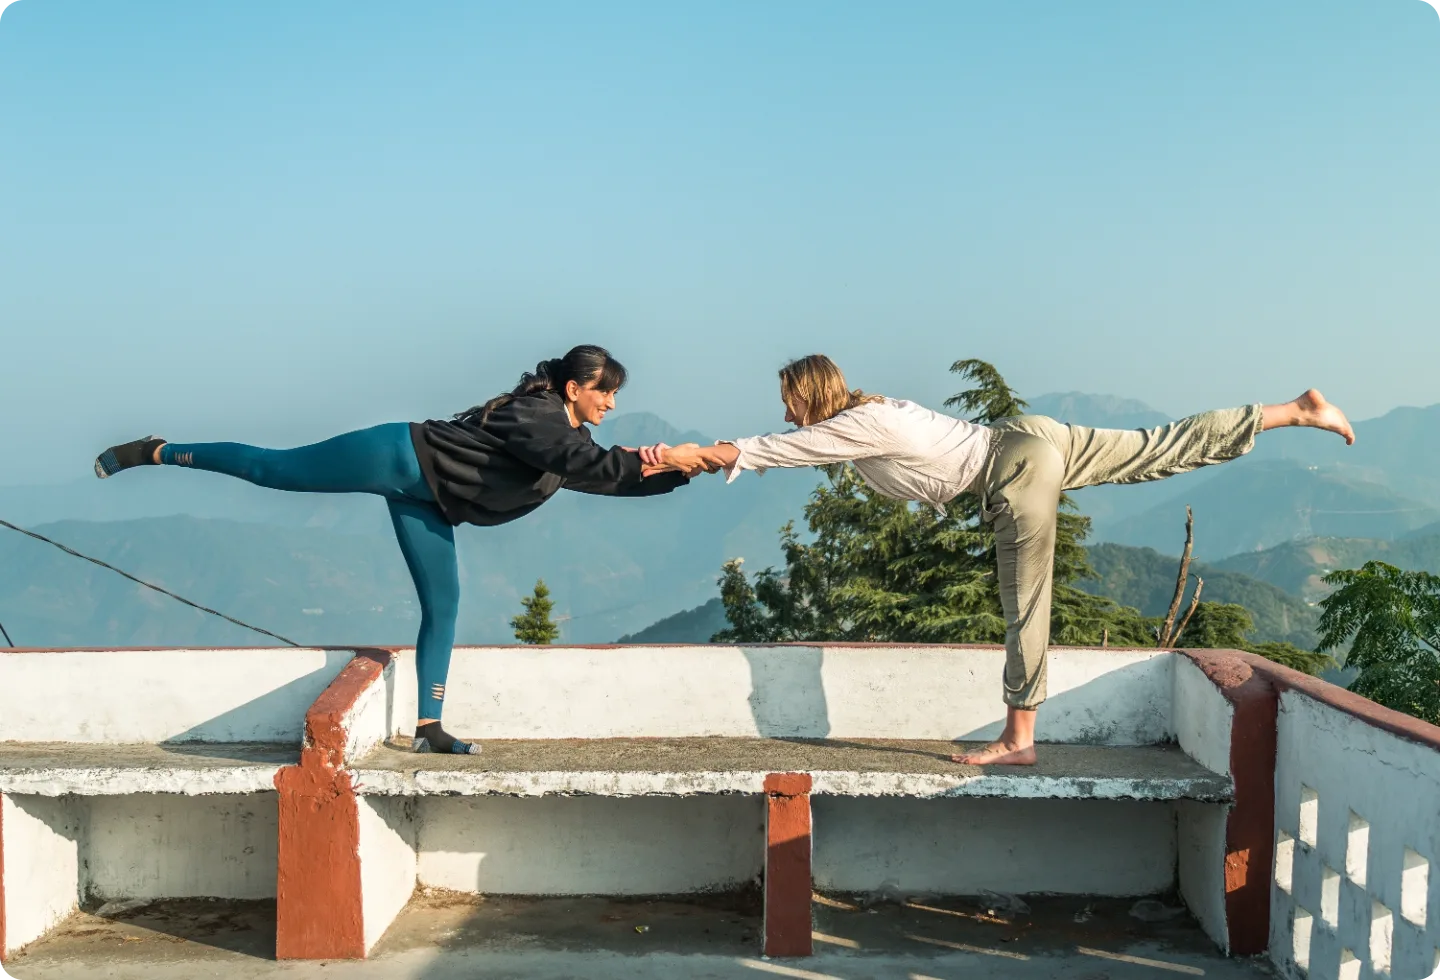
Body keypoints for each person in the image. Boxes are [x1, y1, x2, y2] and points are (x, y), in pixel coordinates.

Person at [642, 354, 1355, 766]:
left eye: (789, 400)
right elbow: (792, 447)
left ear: (807, 394)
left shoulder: (855, 425)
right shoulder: (874, 409)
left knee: (1027, 602)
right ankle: (1293, 410)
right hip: (1024, 437)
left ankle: (1019, 737)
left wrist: (688, 455)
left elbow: (776, 451)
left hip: (1011, 471)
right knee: (1154, 445)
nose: (789, 412)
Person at [93, 345, 695, 755]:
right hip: (397, 456)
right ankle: (161, 450)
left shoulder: (566, 437)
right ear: (574, 387)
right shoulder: (536, 415)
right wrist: (665, 458)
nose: (610, 403)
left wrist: (685, 471)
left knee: (445, 604)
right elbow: (582, 461)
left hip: (430, 499)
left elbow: (600, 476)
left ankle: (428, 727)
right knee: (273, 470)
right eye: (605, 392)